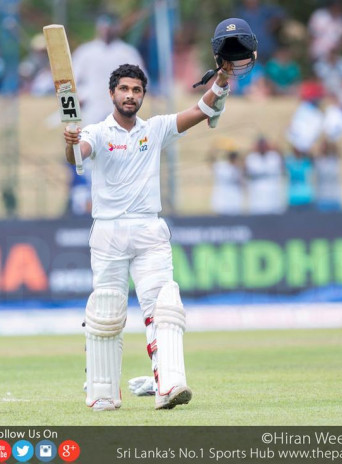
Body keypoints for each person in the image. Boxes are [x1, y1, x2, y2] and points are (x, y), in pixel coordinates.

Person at [63, 44, 237, 409]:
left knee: (164, 305)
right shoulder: (96, 131)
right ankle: (102, 395)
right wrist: (72, 143)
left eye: (136, 90)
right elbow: (80, 153)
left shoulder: (155, 129)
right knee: (107, 311)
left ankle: (170, 385)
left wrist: (220, 85)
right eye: (124, 89)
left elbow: (200, 110)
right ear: (112, 93)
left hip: (148, 230)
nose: (130, 95)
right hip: (108, 232)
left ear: (143, 95)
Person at [72, 15, 145, 124]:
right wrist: (79, 97)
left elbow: (140, 80)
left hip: (119, 106)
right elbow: (72, 80)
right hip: (92, 106)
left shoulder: (127, 52)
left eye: (110, 27)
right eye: (104, 27)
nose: (107, 30)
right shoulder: (85, 52)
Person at [244, 136, 284, 214]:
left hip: (273, 196)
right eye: (260, 145)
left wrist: (277, 148)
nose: (262, 147)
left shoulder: (274, 157)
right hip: (257, 197)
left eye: (264, 145)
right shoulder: (251, 158)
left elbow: (283, 166)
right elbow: (244, 171)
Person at [210, 150, 244, 215]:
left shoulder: (239, 169)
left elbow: (243, 184)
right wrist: (214, 151)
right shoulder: (222, 167)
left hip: (235, 202)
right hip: (222, 201)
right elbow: (212, 164)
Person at [314, 138, 342, 211]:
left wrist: (332, 136)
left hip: (335, 198)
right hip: (322, 198)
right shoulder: (318, 161)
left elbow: (338, 150)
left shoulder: (334, 160)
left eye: (325, 146)